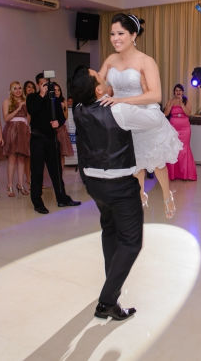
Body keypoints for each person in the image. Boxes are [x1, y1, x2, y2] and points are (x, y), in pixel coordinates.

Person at [72, 66, 165, 321]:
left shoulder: (78, 109)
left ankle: (111, 291)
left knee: (110, 231)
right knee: (132, 242)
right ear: (98, 90)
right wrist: (145, 93)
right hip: (120, 186)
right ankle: (107, 301)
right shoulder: (119, 110)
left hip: (94, 184)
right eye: (99, 76)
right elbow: (155, 118)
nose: (104, 75)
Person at [97, 13, 182, 219]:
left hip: (144, 113)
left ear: (133, 35)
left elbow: (155, 95)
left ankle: (166, 194)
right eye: (112, 34)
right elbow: (101, 86)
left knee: (157, 161)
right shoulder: (110, 60)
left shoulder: (146, 61)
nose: (115, 38)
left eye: (120, 33)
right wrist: (100, 90)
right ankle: (140, 196)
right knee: (135, 163)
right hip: (123, 118)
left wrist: (120, 100)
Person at [26, 73, 80, 214]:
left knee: (56, 171)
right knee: (37, 172)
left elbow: (61, 117)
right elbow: (32, 110)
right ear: (38, 85)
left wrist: (58, 122)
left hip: (52, 139)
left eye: (48, 84)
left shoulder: (53, 99)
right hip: (37, 139)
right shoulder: (32, 97)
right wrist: (42, 94)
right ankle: (37, 202)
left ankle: (62, 198)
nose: (46, 86)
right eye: (43, 84)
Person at [2, 81, 30, 197]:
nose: (18, 90)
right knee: (12, 158)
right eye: (15, 88)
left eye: (19, 88)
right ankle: (9, 185)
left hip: (23, 130)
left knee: (22, 158)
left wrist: (27, 126)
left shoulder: (26, 101)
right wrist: (18, 109)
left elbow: (28, 118)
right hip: (12, 130)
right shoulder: (7, 101)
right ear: (11, 91)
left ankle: (21, 184)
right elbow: (6, 118)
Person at [164, 83, 197, 181]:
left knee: (184, 149)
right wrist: (170, 105)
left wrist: (182, 104)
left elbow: (188, 113)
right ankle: (173, 174)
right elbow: (165, 114)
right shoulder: (171, 101)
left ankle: (185, 174)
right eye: (176, 90)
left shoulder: (186, 101)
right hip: (173, 128)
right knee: (174, 149)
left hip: (185, 128)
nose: (178, 92)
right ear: (174, 92)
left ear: (183, 92)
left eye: (180, 90)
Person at [52, 82, 74, 168]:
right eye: (55, 90)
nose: (57, 92)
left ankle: (61, 172)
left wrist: (63, 108)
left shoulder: (63, 100)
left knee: (61, 153)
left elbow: (66, 117)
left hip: (61, 129)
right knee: (53, 154)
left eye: (59, 90)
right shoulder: (50, 101)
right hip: (51, 129)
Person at [23, 80, 37, 187]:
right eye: (28, 87)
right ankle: (28, 179)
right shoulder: (22, 102)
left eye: (32, 87)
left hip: (36, 129)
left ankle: (36, 179)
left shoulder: (37, 100)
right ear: (25, 89)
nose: (30, 89)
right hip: (25, 130)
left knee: (36, 157)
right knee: (27, 156)